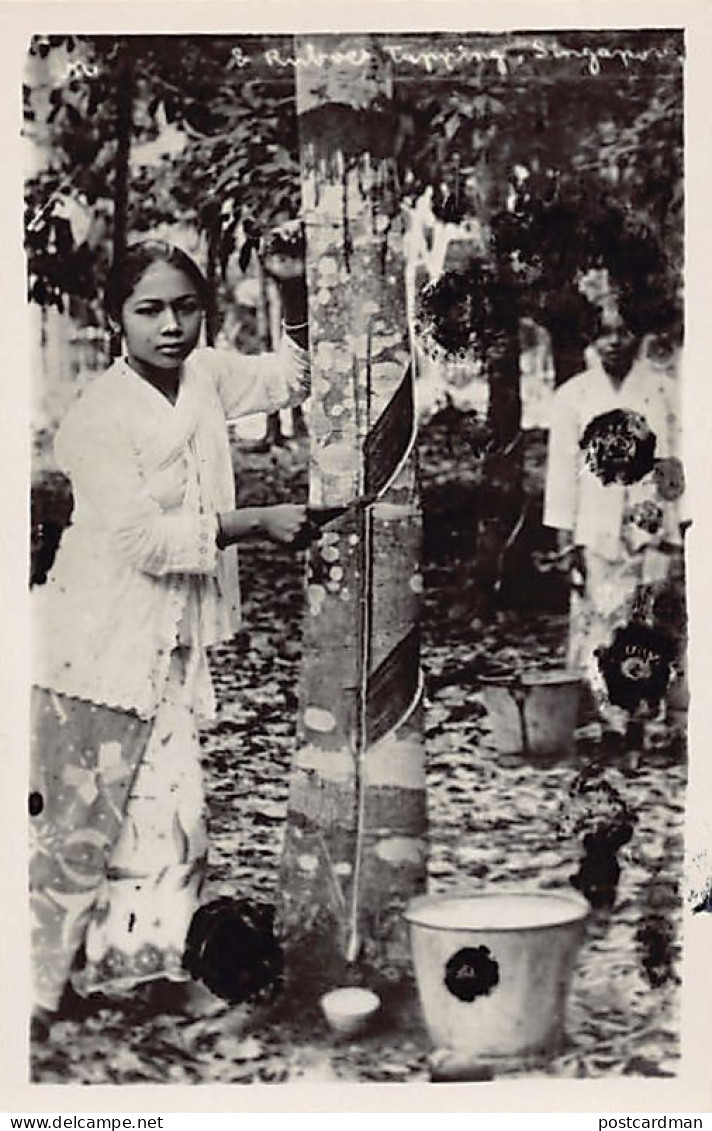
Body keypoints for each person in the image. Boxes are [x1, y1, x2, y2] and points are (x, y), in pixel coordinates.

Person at [30, 235, 312, 1030]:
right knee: (82, 809)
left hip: (174, 635)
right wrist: (255, 522)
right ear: (114, 315)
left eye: (186, 306)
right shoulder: (96, 415)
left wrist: (290, 285)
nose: (170, 325)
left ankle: (142, 968)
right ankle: (43, 985)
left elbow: (294, 377)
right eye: (149, 308)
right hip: (97, 633)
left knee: (173, 804)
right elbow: (139, 539)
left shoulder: (210, 374)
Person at [543, 267, 686, 741]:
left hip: (651, 527)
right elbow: (563, 472)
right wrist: (565, 534)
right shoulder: (574, 397)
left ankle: (650, 715)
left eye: (622, 332)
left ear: (638, 335)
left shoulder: (664, 393)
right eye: (603, 334)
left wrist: (679, 527)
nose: (613, 343)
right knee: (599, 616)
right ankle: (605, 715)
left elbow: (674, 464)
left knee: (648, 615)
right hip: (596, 527)